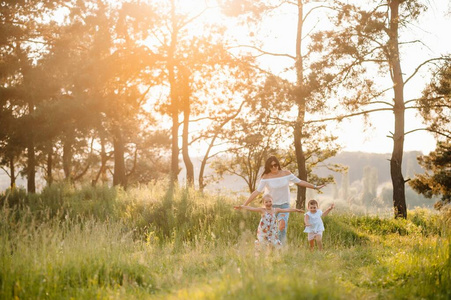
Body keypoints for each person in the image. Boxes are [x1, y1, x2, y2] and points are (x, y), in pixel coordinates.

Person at [239, 156, 324, 244]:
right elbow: (257, 191)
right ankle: (269, 246)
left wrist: (315, 187)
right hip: (271, 206)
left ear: (278, 165)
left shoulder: (286, 174)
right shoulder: (266, 177)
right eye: (271, 166)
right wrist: (245, 204)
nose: (274, 167)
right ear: (268, 167)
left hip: (284, 204)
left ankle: (280, 247)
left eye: (275, 165)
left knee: (282, 226)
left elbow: (300, 182)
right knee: (269, 228)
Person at [235, 194, 303, 249]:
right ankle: (264, 255)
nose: (268, 203)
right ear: (264, 203)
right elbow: (252, 208)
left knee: (274, 243)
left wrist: (296, 210)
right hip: (263, 231)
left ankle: (273, 254)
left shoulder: (275, 210)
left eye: (270, 201)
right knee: (263, 243)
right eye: (266, 202)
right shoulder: (262, 210)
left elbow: (286, 210)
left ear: (272, 201)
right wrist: (241, 206)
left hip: (272, 231)